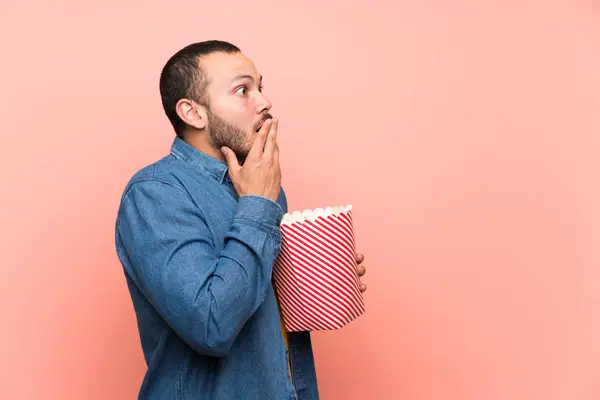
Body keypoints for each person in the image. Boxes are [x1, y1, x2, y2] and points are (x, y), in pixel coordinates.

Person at [114, 40, 367, 400]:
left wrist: (314, 279)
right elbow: (211, 325)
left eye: (260, 87)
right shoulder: (155, 193)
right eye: (242, 90)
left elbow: (265, 315)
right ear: (193, 113)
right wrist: (258, 205)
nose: (264, 102)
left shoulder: (261, 187)